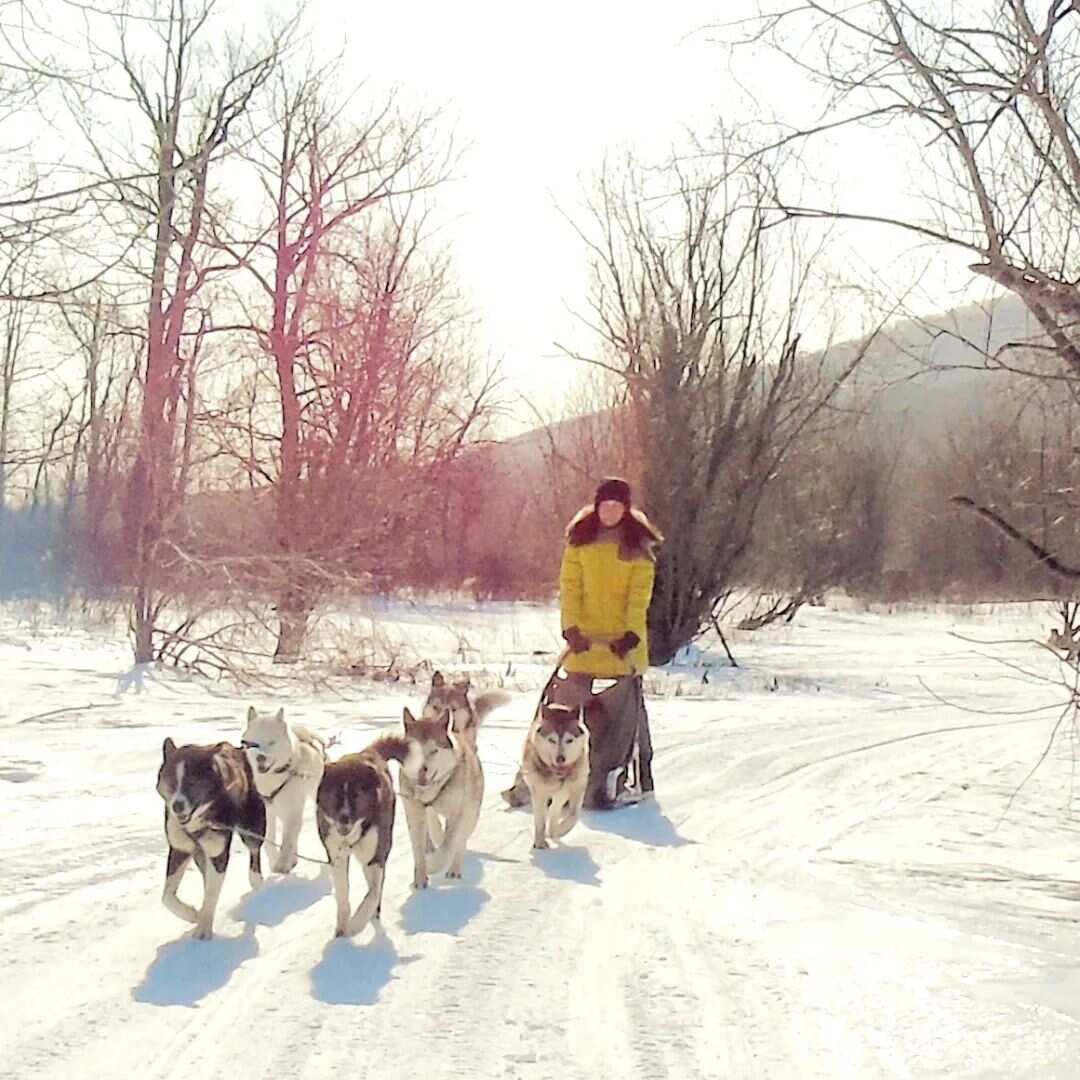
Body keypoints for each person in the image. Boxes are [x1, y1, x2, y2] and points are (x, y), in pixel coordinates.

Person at [502, 476, 663, 808]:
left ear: (626, 509)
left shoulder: (639, 551)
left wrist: (630, 635)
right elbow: (571, 588)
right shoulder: (579, 543)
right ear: (597, 506)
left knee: (628, 711)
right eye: (606, 506)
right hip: (583, 643)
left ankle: (633, 774)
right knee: (564, 707)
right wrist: (571, 629)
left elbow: (638, 598)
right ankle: (540, 774)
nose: (610, 512)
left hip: (622, 643)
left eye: (617, 507)